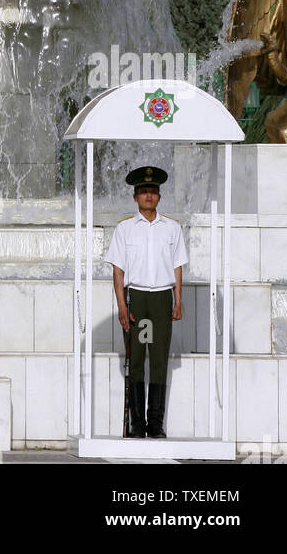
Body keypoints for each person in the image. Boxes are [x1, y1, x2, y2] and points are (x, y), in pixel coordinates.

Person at [104, 166, 188, 438]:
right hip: (138, 299)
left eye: (153, 191)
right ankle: (136, 424)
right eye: (143, 192)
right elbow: (118, 270)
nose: (148, 196)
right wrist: (122, 305)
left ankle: (156, 424)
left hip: (162, 299)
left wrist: (178, 300)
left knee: (160, 359)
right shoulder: (125, 229)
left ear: (159, 196)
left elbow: (177, 267)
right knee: (138, 358)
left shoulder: (172, 228)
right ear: (135, 196)